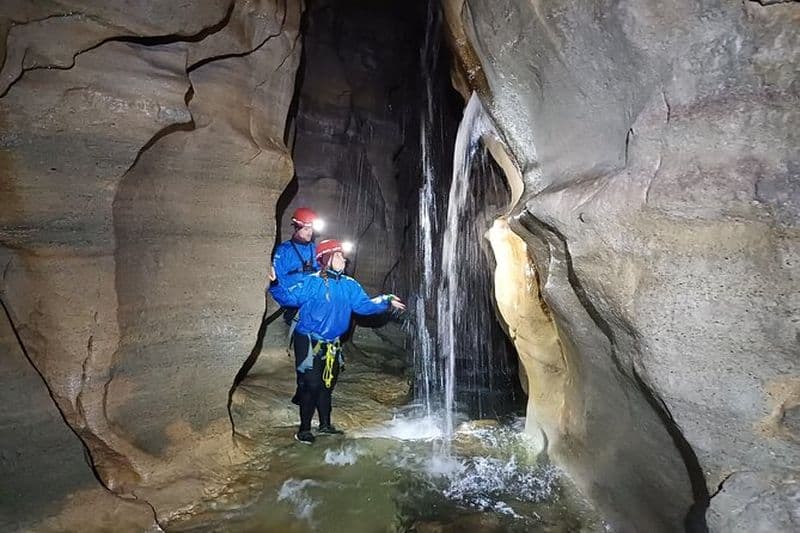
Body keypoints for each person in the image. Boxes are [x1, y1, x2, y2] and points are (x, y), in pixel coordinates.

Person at [269, 239, 406, 444]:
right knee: (312, 384)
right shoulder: (312, 283)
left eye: (343, 255)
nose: (344, 259)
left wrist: (386, 300)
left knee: (327, 384)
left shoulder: (349, 285)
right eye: (339, 255)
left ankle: (325, 425)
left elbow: (364, 306)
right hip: (308, 339)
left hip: (332, 343)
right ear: (325, 259)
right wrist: (275, 283)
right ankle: (304, 429)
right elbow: (288, 297)